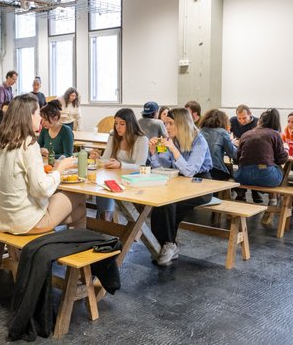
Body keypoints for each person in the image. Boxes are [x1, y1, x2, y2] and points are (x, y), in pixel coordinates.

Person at [0, 94, 86, 234]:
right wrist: (59, 169)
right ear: (28, 116)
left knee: (79, 211)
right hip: (28, 222)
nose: (41, 118)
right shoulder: (28, 144)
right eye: (37, 113)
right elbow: (41, 190)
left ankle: (69, 241)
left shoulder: (0, 143)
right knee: (80, 195)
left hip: (5, 218)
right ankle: (74, 242)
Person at [148, 108, 213, 266]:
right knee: (160, 203)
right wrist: (153, 153)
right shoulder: (172, 139)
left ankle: (168, 245)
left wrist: (173, 149)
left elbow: (190, 171)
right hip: (179, 181)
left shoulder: (199, 141)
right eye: (166, 123)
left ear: (182, 124)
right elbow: (164, 167)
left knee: (169, 203)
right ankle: (164, 244)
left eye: (171, 123)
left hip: (202, 184)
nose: (167, 127)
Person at [90, 108, 149, 220]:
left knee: (107, 188)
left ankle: (105, 221)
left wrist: (121, 165)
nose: (118, 127)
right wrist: (98, 158)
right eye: (116, 123)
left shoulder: (142, 139)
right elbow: (106, 158)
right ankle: (105, 221)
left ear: (131, 124)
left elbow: (141, 166)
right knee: (103, 187)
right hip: (115, 177)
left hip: (133, 180)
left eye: (122, 124)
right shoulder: (113, 136)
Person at [234, 108, 288, 205]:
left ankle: (241, 195)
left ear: (260, 121)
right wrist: (286, 151)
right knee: (278, 167)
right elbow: (282, 159)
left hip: (242, 177)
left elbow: (237, 158)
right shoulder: (275, 134)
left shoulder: (245, 134)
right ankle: (273, 198)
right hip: (267, 177)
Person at [229, 104, 263, 203]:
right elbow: (227, 133)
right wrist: (232, 140)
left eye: (244, 118)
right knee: (240, 165)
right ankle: (242, 192)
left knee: (252, 167)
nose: (242, 121)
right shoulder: (233, 121)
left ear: (250, 114)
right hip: (238, 150)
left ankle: (254, 191)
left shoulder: (257, 122)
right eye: (239, 118)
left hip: (254, 151)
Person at [199, 109, 237, 181]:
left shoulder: (200, 131)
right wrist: (234, 144)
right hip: (216, 170)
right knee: (234, 174)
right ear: (223, 121)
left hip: (201, 170)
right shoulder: (222, 132)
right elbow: (233, 154)